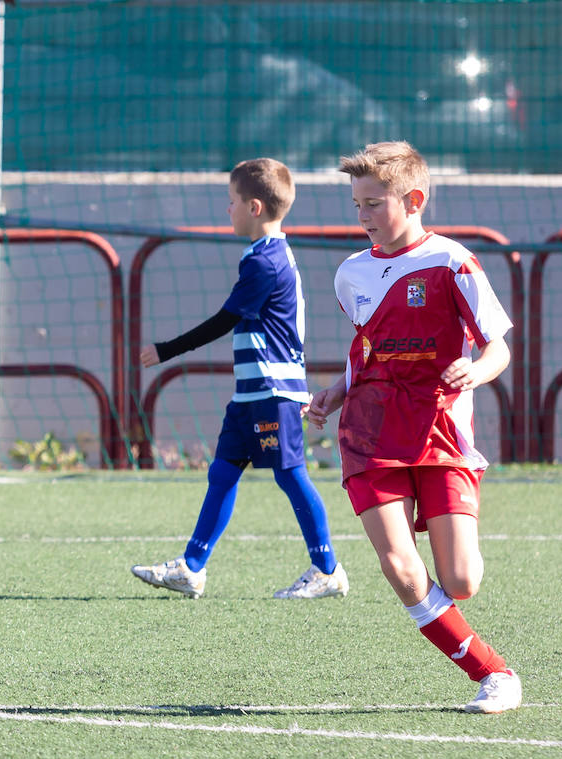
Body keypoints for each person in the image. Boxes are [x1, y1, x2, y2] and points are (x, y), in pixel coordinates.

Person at [305, 141, 521, 713]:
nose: (363, 216)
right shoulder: (351, 274)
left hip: (441, 430)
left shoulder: (453, 263)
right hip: (371, 432)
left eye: (373, 203)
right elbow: (367, 348)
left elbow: (497, 348)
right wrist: (337, 389)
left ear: (414, 199)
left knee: (462, 578)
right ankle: (492, 673)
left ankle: (452, 618)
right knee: (401, 569)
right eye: (357, 205)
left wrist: (473, 372)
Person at [130, 158, 348, 600]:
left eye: (230, 202)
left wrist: (166, 350)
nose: (225, 209)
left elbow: (225, 319)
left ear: (253, 207)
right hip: (251, 393)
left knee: (290, 475)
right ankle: (191, 568)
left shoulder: (266, 263)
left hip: (274, 392)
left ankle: (327, 569)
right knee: (223, 472)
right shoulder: (259, 256)